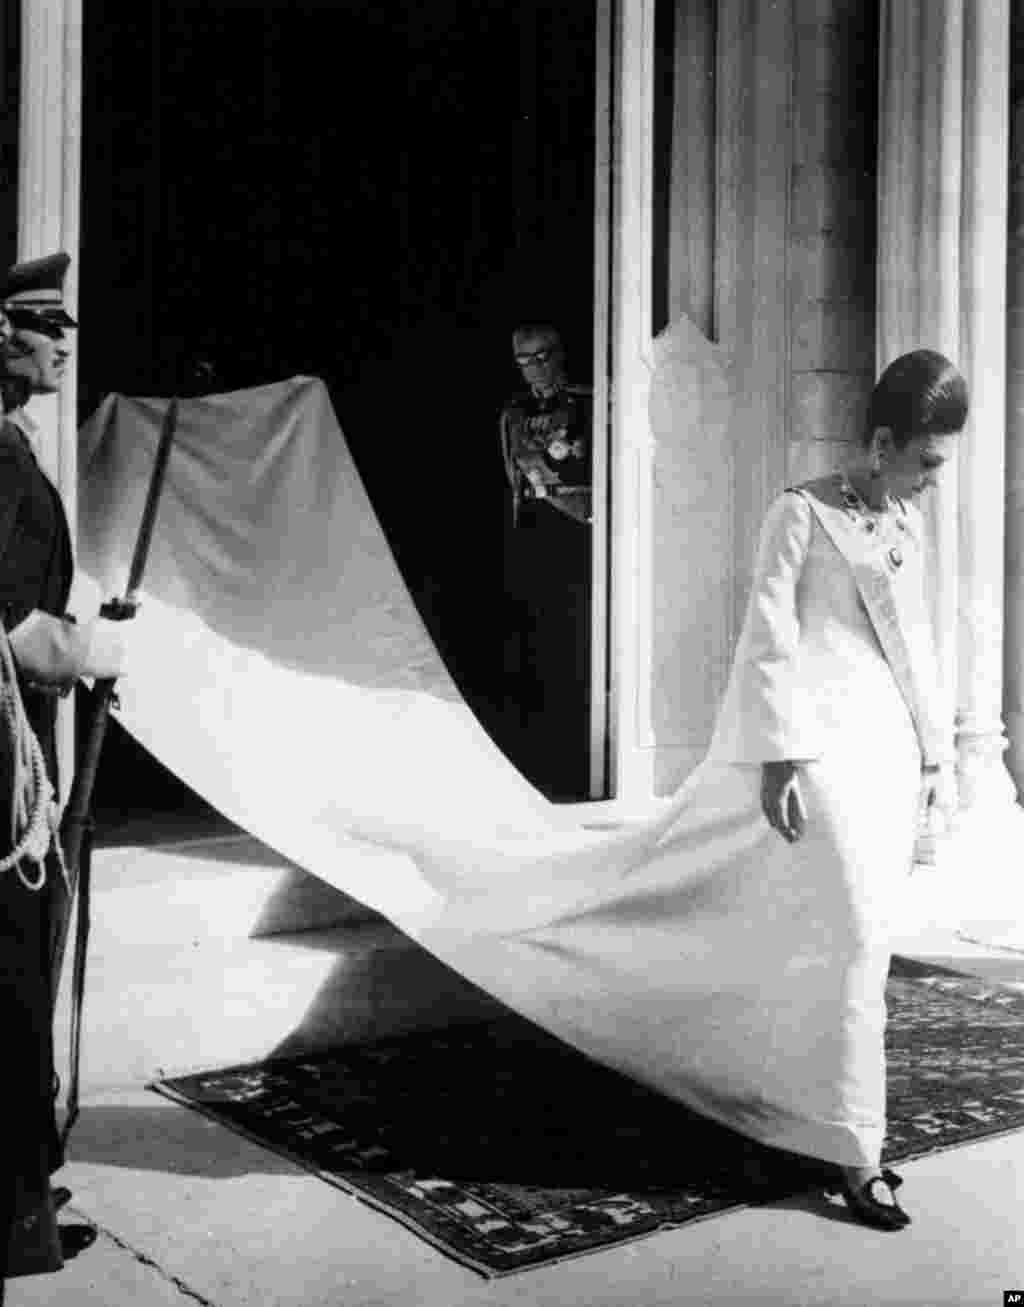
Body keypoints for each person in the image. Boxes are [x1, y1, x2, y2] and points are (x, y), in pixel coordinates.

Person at [0, 253, 125, 1289]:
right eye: (48, 323)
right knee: (13, 974)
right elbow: (16, 632)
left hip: (22, 747)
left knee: (22, 969)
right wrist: (89, 652)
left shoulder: (13, 444)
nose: (63, 340)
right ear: (3, 331)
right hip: (7, 763)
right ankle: (14, 1217)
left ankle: (25, 1179)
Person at [498, 324, 593, 800]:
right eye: (524, 360)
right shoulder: (513, 414)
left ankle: (579, 762)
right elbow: (514, 480)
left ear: (560, 355)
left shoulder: (588, 404)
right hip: (536, 539)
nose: (534, 368)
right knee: (535, 647)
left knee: (578, 649)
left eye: (542, 357)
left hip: (579, 537)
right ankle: (541, 761)